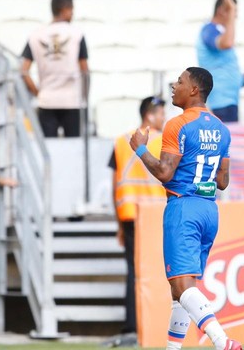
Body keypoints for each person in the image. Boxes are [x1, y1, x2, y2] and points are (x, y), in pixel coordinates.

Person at [130, 67, 240, 350]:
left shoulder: (177, 124)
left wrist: (141, 149)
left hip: (183, 208)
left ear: (194, 90)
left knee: (182, 286)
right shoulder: (221, 129)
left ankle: (221, 341)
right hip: (209, 211)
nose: (174, 85)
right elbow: (223, 181)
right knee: (180, 290)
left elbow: (165, 172)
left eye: (180, 81)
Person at [105, 96, 167, 347]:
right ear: (149, 115)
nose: (164, 118)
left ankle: (133, 326)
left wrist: (118, 222)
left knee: (134, 272)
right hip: (157, 214)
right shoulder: (166, 140)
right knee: (160, 270)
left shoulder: (121, 141)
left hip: (129, 213)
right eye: (161, 113)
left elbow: (114, 183)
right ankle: (159, 324)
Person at [21, 0, 89, 137]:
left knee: (48, 150)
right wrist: (84, 96)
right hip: (72, 101)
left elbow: (24, 71)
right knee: (73, 149)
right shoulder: (77, 34)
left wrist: (37, 92)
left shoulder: (36, 35)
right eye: (72, 10)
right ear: (65, 9)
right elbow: (85, 70)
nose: (72, 14)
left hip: (46, 100)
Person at [196, 0, 243, 123]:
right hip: (219, 102)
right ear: (222, 10)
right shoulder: (208, 30)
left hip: (228, 100)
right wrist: (232, 10)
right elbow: (227, 43)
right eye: (234, 12)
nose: (235, 16)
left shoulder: (218, 30)